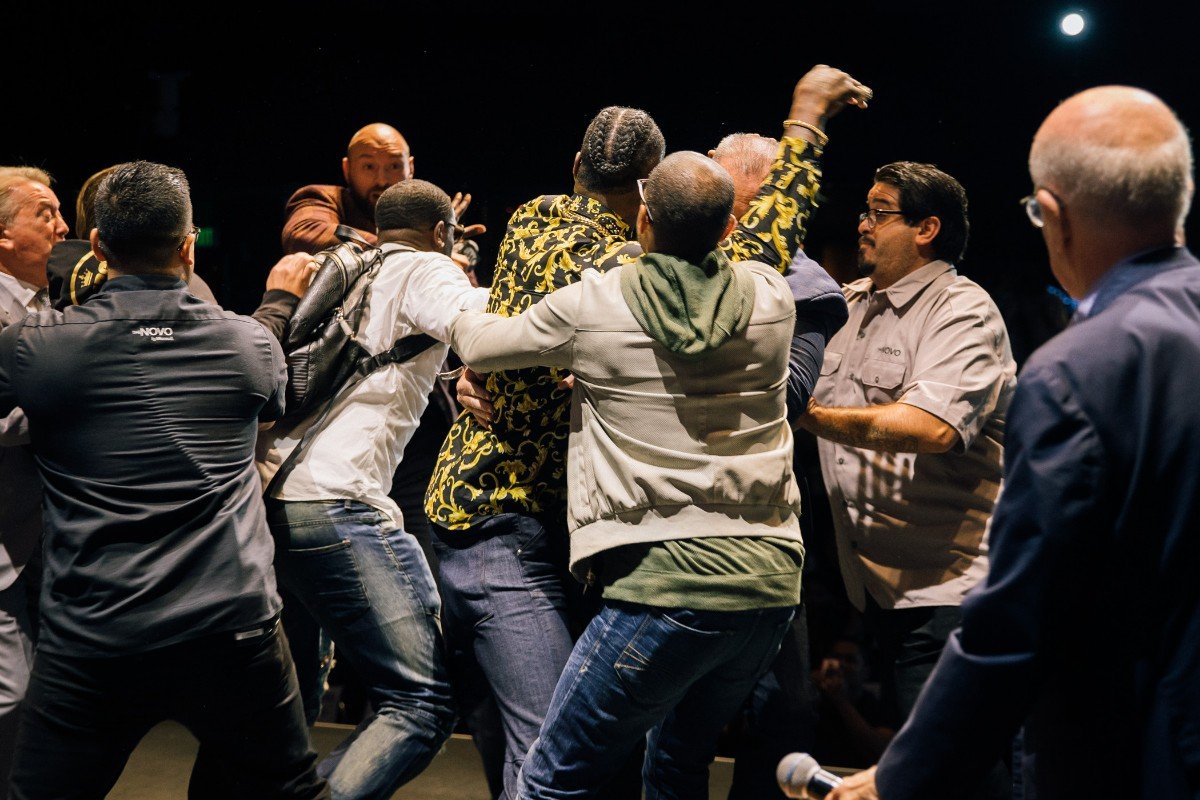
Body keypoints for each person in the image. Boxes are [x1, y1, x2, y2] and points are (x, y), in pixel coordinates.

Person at [426, 66, 868, 800]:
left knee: (551, 779)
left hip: (669, 580)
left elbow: (478, 340)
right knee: (669, 770)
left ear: (642, 219)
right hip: (768, 588)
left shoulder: (599, 301)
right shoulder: (767, 292)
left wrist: (449, 286)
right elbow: (783, 215)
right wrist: (808, 118)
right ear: (730, 230)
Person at [828, 86, 1199, 800]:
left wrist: (900, 776)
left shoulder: (1077, 369)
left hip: (1135, 743)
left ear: (1053, 215)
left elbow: (1018, 620)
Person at [0, 161, 326, 799]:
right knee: (287, 789)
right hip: (231, 628)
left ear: (94, 246)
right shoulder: (249, 345)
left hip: (98, 633)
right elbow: (266, 395)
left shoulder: (36, 348)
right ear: (187, 245)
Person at [258, 178, 488, 800]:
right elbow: (487, 330)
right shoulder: (423, 271)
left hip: (273, 498)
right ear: (440, 233)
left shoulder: (350, 264)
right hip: (338, 503)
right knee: (423, 702)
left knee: (293, 703)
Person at [796, 164, 1017, 751]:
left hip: (951, 600)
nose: (862, 224)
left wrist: (814, 417)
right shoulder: (845, 306)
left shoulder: (961, 309)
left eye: (879, 212)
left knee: (957, 779)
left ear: (927, 228)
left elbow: (933, 427)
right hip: (876, 596)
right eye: (864, 210)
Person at [0, 166, 68, 794]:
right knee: (11, 696)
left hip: (39, 537)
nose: (63, 225)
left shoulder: (50, 301)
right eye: (44, 213)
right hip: (3, 539)